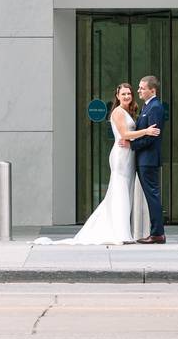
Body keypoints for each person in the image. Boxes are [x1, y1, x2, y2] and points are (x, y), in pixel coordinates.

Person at [34, 83, 157, 245]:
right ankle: (121, 234)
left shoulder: (128, 111)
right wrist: (146, 131)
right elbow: (124, 134)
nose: (127, 96)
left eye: (129, 94)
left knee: (124, 192)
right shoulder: (118, 112)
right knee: (120, 191)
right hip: (121, 156)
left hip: (129, 155)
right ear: (117, 96)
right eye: (123, 94)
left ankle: (122, 231)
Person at [123, 75, 167, 244]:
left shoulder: (155, 107)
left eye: (142, 88)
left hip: (148, 160)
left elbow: (152, 137)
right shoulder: (147, 106)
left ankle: (157, 234)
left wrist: (132, 144)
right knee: (151, 196)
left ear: (152, 90)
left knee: (152, 196)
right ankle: (156, 232)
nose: (139, 90)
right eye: (139, 87)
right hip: (144, 159)